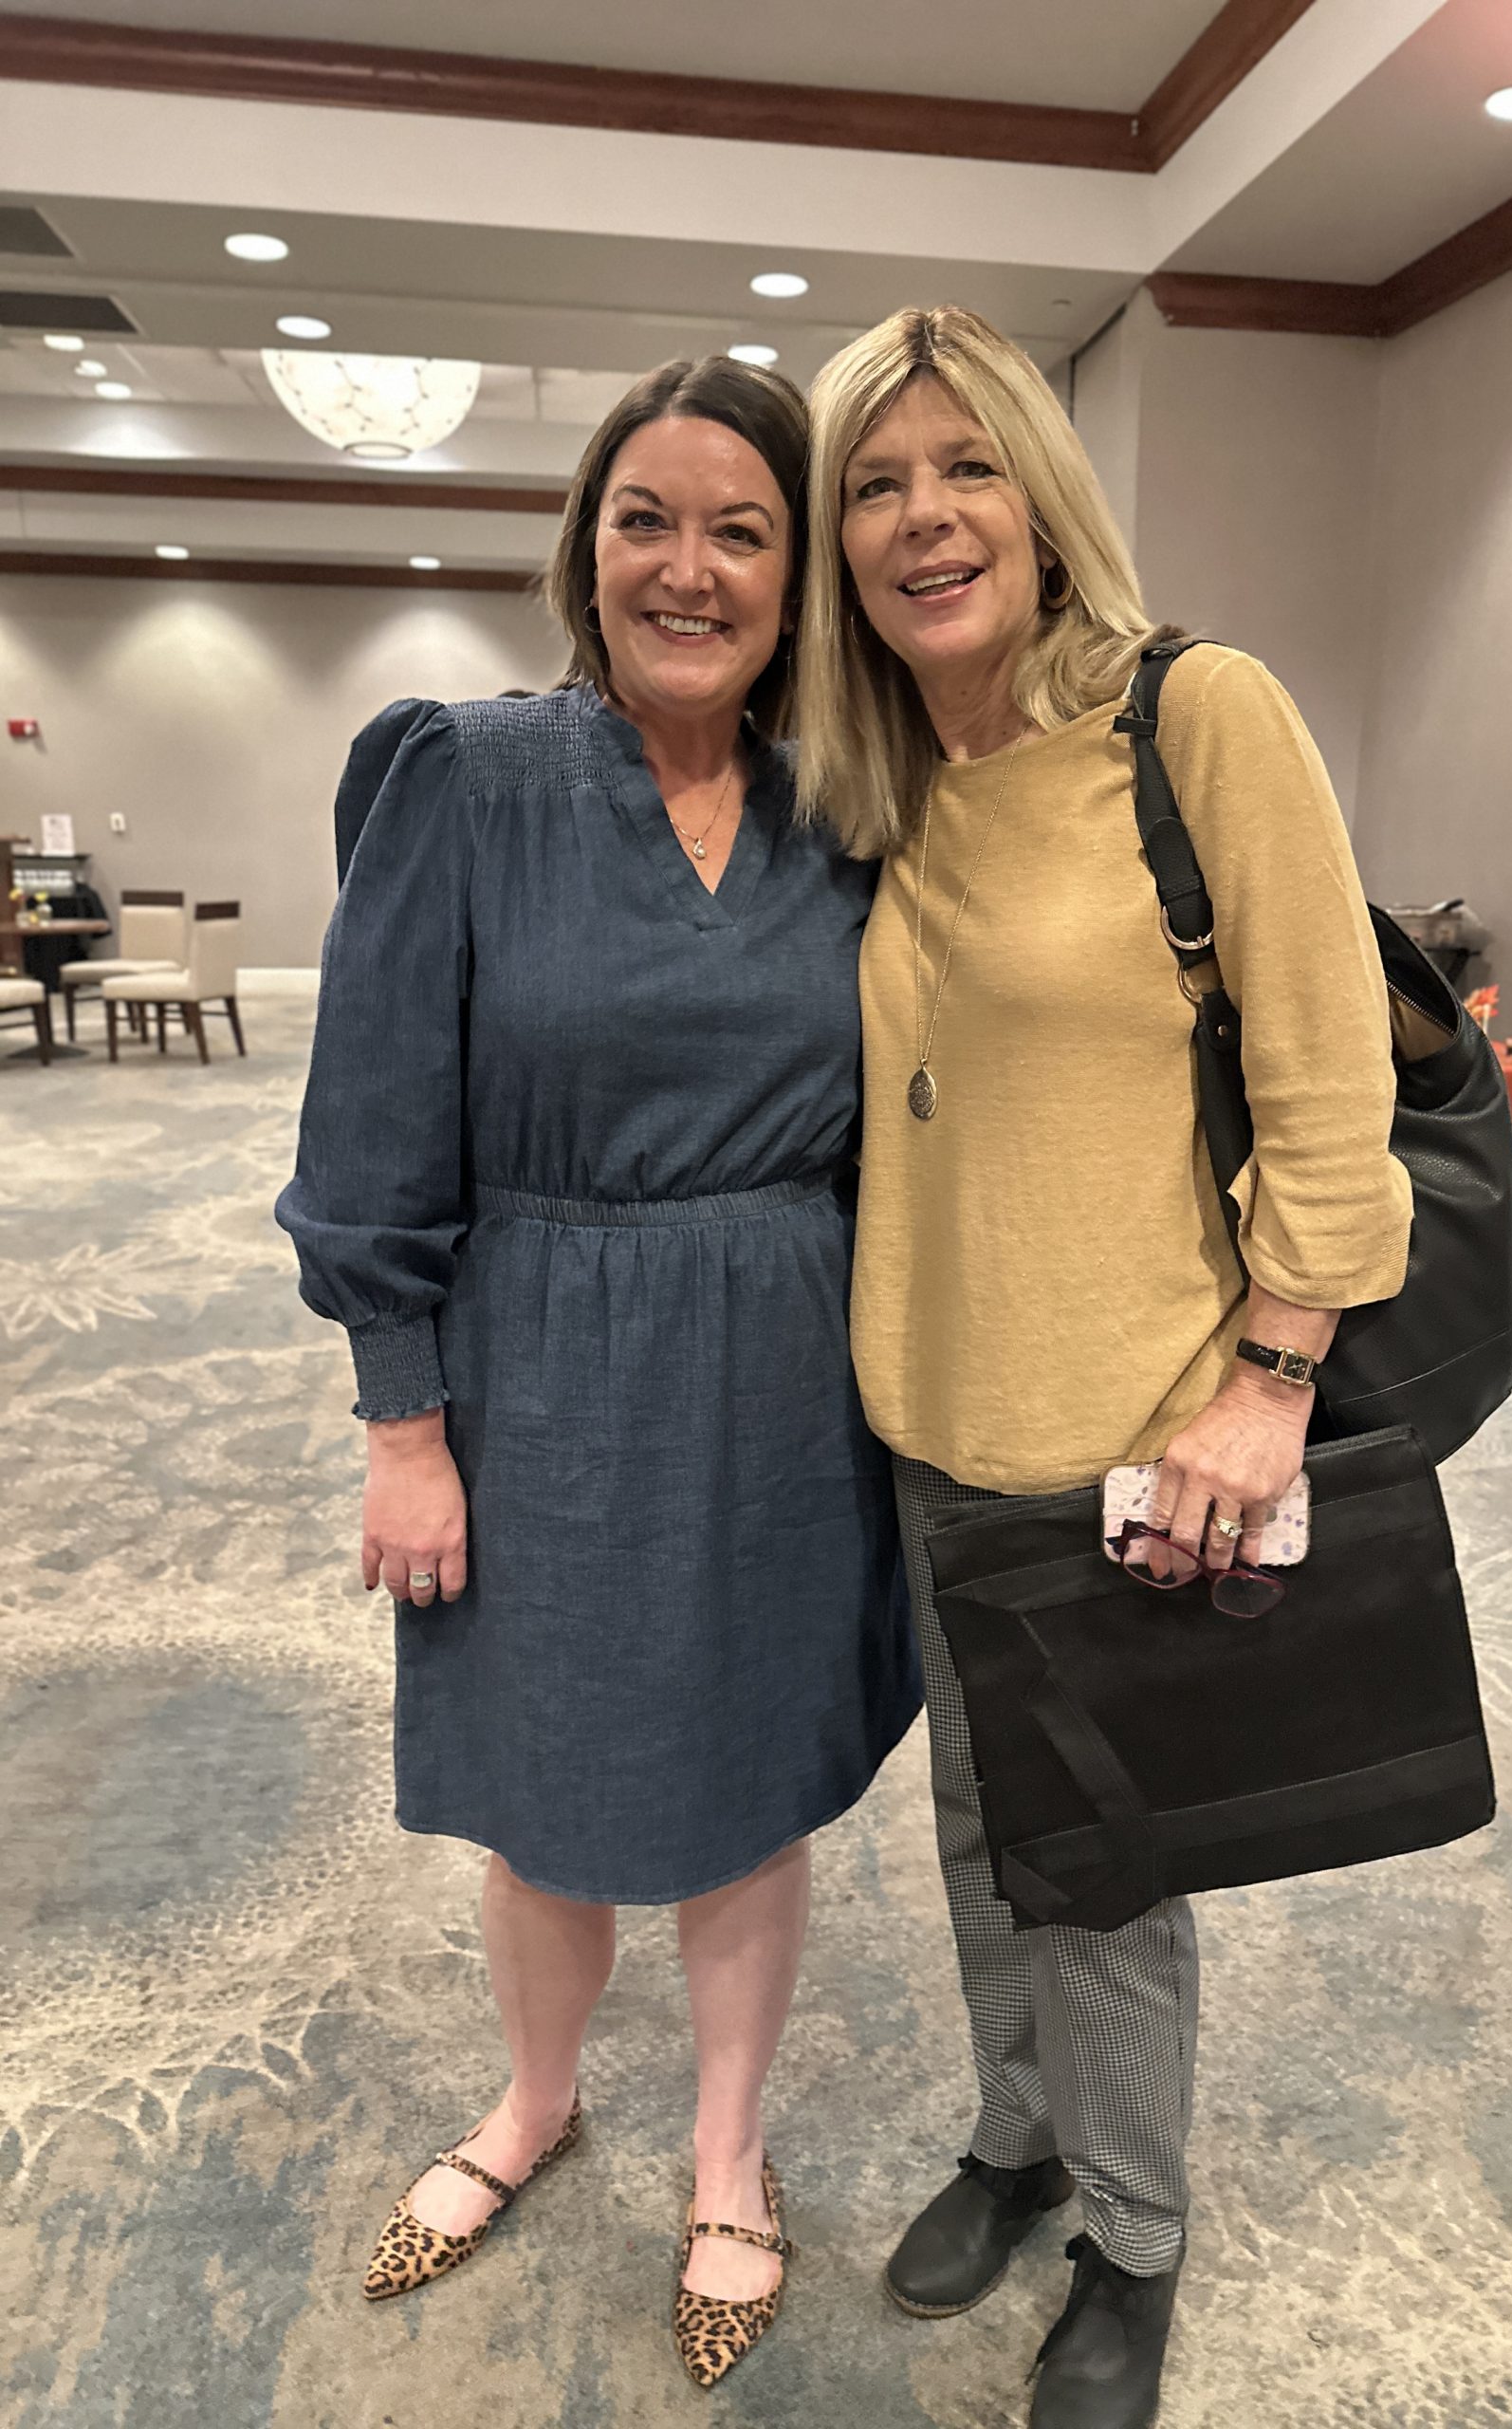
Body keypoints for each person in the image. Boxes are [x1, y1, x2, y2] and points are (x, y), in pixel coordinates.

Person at [798, 306, 1411, 2429]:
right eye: (875, 484)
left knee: (1113, 1866)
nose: (924, 516)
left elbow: (1328, 1073)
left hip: (1143, 1420)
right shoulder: (881, 778)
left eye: (967, 465)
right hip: (930, 1413)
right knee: (984, 1826)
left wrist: (1273, 1380)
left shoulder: (1191, 712)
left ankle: (1135, 2238)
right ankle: (1019, 2130)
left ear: (1046, 501)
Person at [278, 355, 918, 2387]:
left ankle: (728, 2146)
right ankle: (537, 2097)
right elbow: (371, 1118)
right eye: (646, 518)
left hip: (788, 1371)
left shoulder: (852, 809)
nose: (688, 567)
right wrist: (404, 1425)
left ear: (797, 580)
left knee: (748, 1782)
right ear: (586, 545)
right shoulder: (465, 776)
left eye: (741, 530)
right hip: (537, 1361)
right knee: (542, 1793)